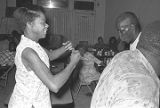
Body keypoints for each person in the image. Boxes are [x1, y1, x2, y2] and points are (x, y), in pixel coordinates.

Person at [8, 5, 81, 108]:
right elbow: (54, 85)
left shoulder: (33, 43)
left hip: (39, 98)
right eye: (42, 23)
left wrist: (66, 48)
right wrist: (72, 64)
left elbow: (49, 55)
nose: (47, 25)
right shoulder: (28, 52)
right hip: (29, 104)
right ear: (29, 24)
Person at [90, 20, 160, 108]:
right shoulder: (143, 95)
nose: (120, 36)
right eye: (118, 31)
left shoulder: (122, 55)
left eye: (122, 31)